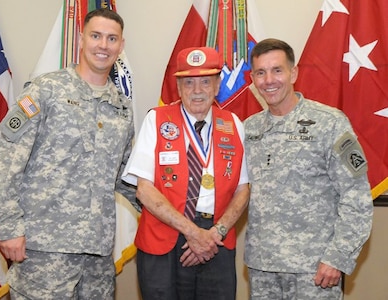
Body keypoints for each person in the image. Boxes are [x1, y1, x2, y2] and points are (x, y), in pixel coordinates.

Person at [0, 8, 135, 299]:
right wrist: (8, 228)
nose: (103, 45)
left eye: (111, 38)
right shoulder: (45, 91)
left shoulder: (121, 107)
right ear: (81, 39)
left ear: (121, 45)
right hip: (43, 250)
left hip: (97, 255)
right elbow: (6, 164)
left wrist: (176, 213)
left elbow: (124, 176)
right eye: (96, 36)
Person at [243, 38, 373, 299]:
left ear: (294, 73)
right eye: (261, 72)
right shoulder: (248, 129)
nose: (269, 80)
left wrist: (338, 257)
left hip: (314, 270)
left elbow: (356, 197)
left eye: (277, 70)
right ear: (253, 79)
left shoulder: (329, 123)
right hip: (263, 269)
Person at [122, 46, 250, 299]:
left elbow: (243, 190)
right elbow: (144, 190)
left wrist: (214, 234)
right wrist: (194, 233)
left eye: (205, 81)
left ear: (217, 86)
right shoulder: (156, 120)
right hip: (164, 237)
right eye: (188, 82)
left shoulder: (233, 124)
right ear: (179, 88)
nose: (197, 90)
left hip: (217, 239)